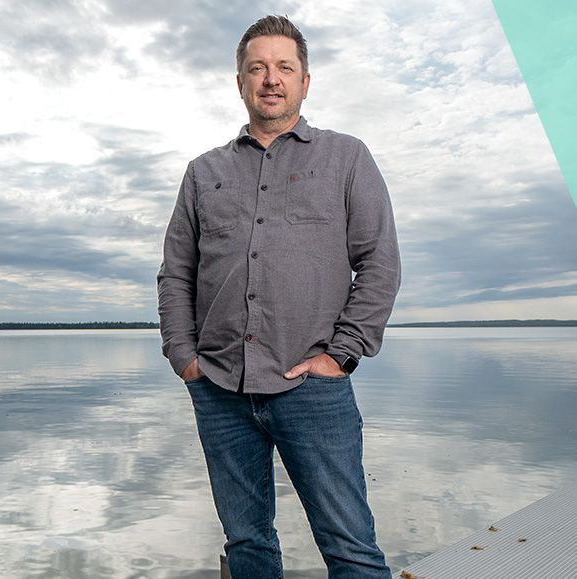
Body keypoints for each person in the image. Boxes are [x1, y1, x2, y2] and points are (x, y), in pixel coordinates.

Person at [156, 15, 401, 579]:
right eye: (257, 68)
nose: (271, 79)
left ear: (305, 82)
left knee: (351, 548)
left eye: (284, 67)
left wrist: (340, 355)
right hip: (218, 387)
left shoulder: (347, 158)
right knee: (247, 545)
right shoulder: (202, 173)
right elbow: (176, 275)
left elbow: (380, 262)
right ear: (240, 82)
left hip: (311, 389)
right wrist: (184, 357)